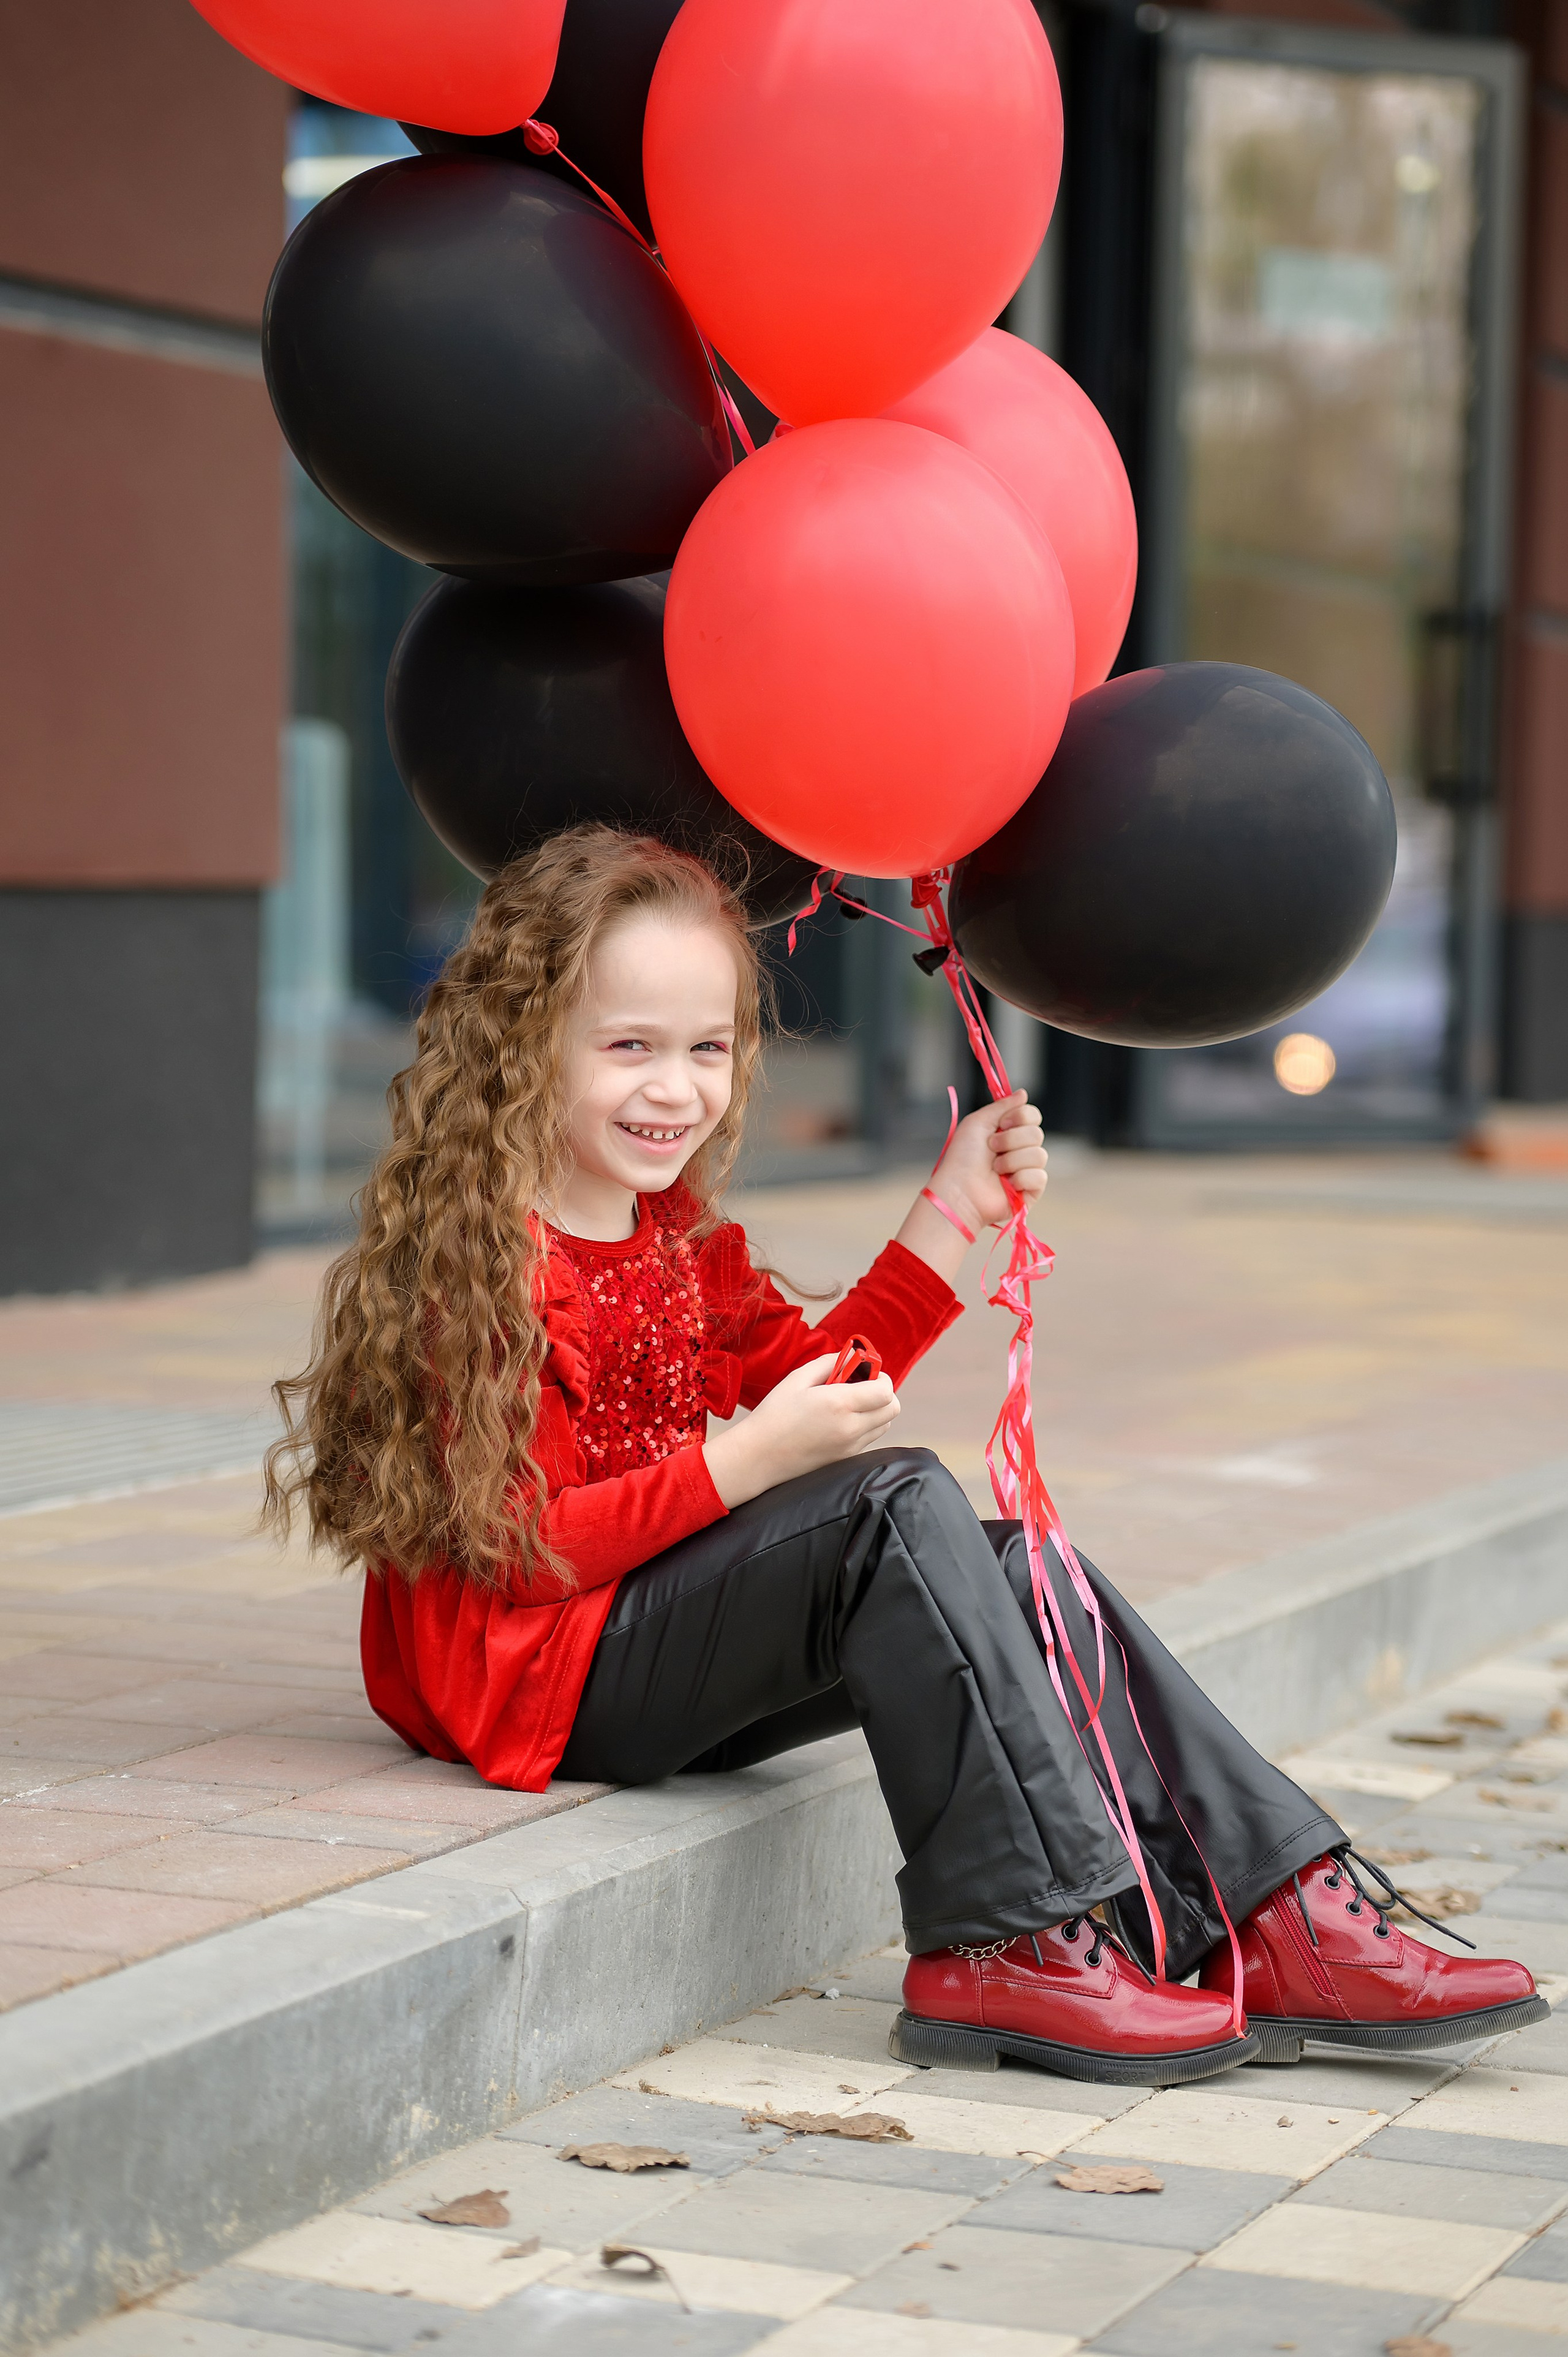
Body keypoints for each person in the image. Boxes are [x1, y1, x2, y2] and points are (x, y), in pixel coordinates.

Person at [267, 827, 1544, 2086]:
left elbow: (824, 1384)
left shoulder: (671, 1239)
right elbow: (528, 1553)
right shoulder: (486, 1271)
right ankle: (1007, 1937)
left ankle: (1267, 1913)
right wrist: (746, 1465)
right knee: (892, 1502)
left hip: (638, 1643)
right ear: (523, 1044)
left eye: (707, 1048)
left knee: (1017, 1568)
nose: (677, 1089)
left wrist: (952, 1211)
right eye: (628, 1047)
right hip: (538, 1681)